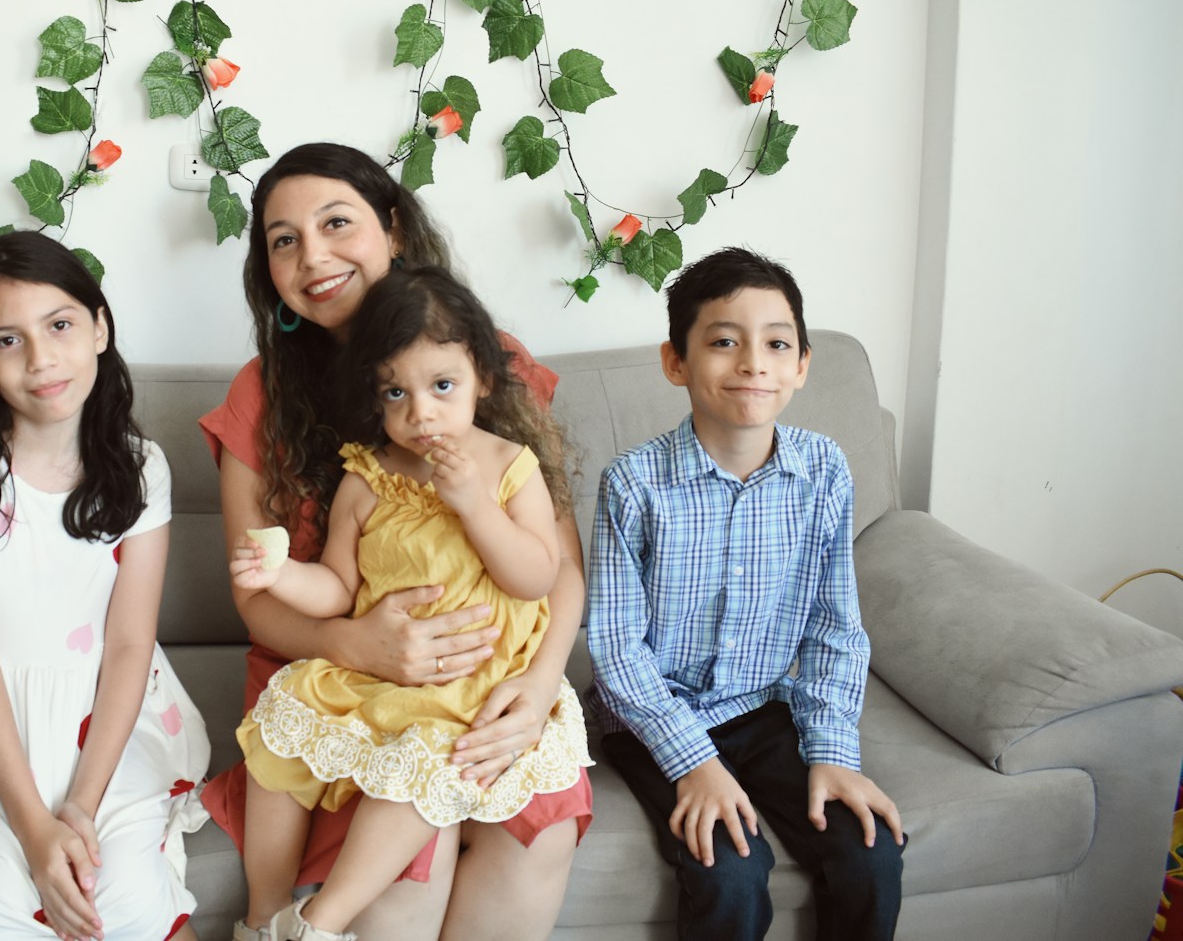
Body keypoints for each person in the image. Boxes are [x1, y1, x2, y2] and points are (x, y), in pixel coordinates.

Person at [198, 142, 593, 941]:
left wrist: (538, 686)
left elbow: (561, 569)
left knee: (538, 827)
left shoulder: (489, 361)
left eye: (335, 222)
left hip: (487, 680)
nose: (313, 255)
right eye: (283, 240)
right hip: (337, 680)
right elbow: (260, 601)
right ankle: (278, 922)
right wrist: (361, 645)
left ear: (393, 228)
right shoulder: (262, 394)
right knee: (412, 856)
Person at [0, 232, 210, 941]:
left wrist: (81, 809)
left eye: (60, 325)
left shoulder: (140, 466)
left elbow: (130, 642)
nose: (41, 360)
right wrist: (37, 831)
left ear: (99, 327)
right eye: (9, 340)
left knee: (120, 893)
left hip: (111, 713)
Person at [587, 246, 905, 940]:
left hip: (763, 706)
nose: (753, 362)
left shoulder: (823, 470)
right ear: (677, 361)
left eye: (776, 343)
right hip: (655, 717)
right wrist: (694, 762)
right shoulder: (634, 483)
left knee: (871, 848)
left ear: (801, 365)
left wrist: (831, 752)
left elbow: (834, 625)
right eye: (724, 341)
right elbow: (614, 646)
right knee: (728, 865)